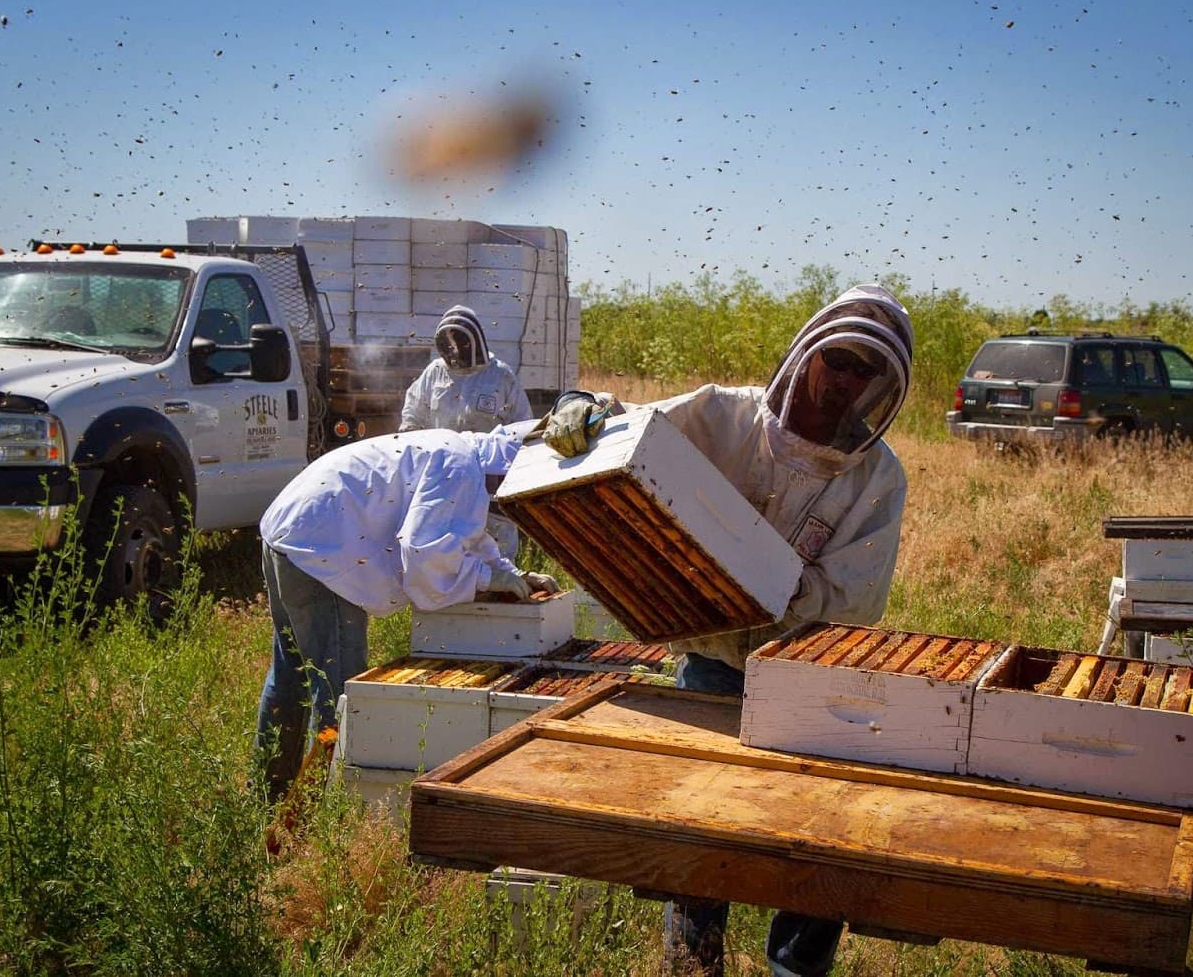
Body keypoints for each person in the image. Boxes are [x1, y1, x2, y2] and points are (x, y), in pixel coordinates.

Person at [543, 283, 913, 977]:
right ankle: (694, 963)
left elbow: (856, 596)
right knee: (699, 822)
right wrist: (582, 405)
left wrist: (772, 580)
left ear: (882, 386)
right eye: (837, 359)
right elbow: (630, 430)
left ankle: (793, 971)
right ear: (807, 353)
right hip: (712, 660)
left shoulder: (877, 478)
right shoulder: (722, 415)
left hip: (807, 675)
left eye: (864, 370)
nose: (845, 380)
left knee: (814, 835)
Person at [256, 423, 556, 803]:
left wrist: (512, 574)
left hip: (291, 531)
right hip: (322, 552)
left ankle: (266, 795)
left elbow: (465, 535)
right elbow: (422, 553)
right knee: (339, 694)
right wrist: (486, 577)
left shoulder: (460, 455)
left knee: (290, 675)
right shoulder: (460, 469)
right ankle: (317, 808)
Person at [400, 304, 534, 558]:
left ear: (475, 342)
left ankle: (501, 579)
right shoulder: (434, 373)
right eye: (450, 343)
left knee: (495, 549)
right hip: (443, 474)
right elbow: (413, 415)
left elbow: (522, 428)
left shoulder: (500, 376)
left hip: (488, 477)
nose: (456, 350)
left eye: (460, 342)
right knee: (445, 546)